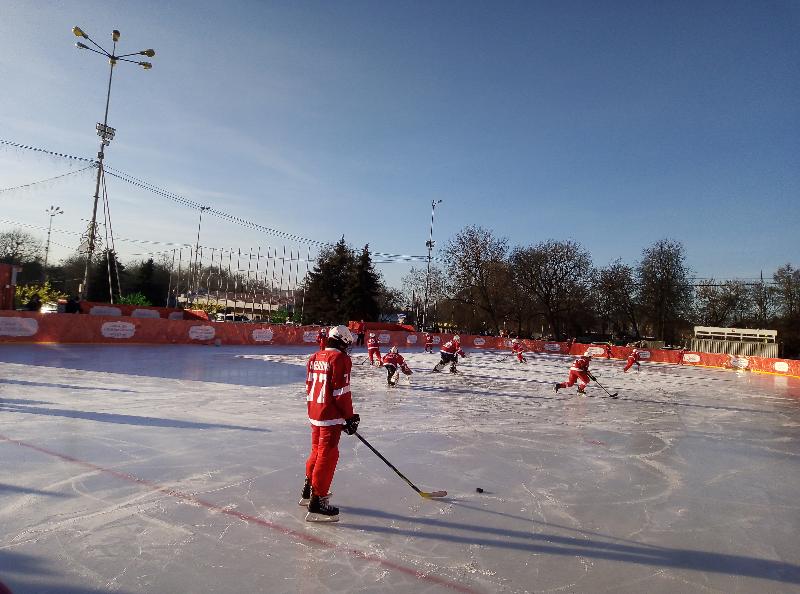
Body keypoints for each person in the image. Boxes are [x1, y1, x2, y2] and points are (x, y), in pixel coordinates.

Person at [300, 325, 360, 522]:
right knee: (328, 454)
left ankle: (308, 489)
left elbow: (309, 386)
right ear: (342, 341)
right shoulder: (341, 359)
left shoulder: (314, 357)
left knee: (316, 451)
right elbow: (341, 393)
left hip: (315, 411)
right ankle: (318, 500)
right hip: (329, 414)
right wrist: (349, 417)